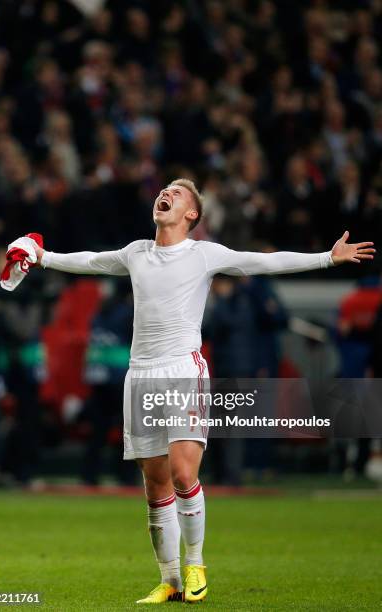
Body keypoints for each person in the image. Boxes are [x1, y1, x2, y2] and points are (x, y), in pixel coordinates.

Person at [32, 178, 374, 604]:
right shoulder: (136, 252)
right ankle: (169, 580)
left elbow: (263, 262)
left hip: (182, 370)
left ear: (192, 214)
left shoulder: (203, 254)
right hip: (140, 376)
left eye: (178, 193)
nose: (167, 194)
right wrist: (41, 256)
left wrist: (327, 257)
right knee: (155, 486)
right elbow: (88, 261)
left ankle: (195, 564)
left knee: (182, 474)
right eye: (165, 190)